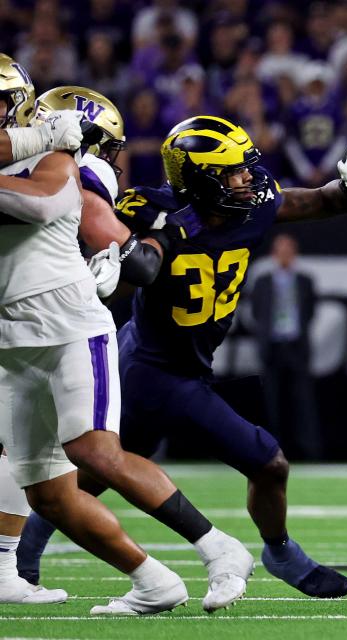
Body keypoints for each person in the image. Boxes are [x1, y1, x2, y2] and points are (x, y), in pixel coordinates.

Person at [19, 114, 347, 600]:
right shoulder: (150, 209)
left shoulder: (251, 206)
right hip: (156, 368)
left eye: (246, 168)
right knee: (267, 462)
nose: (247, 179)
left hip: (173, 360)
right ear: (198, 178)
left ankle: (20, 561)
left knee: (95, 471)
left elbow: (313, 201)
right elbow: (96, 245)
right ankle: (276, 551)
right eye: (232, 171)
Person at [5, 77, 253, 614]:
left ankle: (218, 547)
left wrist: (146, 241)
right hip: (16, 331)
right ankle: (26, 569)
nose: (115, 161)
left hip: (66, 324)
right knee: (43, 486)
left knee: (95, 453)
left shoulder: (72, 165)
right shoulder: (26, 155)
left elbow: (66, 217)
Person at [251, 233, 320, 459]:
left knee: (303, 401)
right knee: (272, 401)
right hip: (272, 346)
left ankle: (307, 450)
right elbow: (257, 313)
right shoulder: (263, 282)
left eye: (288, 250)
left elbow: (309, 312)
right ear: (274, 254)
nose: (284, 255)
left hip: (296, 346)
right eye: (281, 250)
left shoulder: (304, 281)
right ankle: (272, 450)